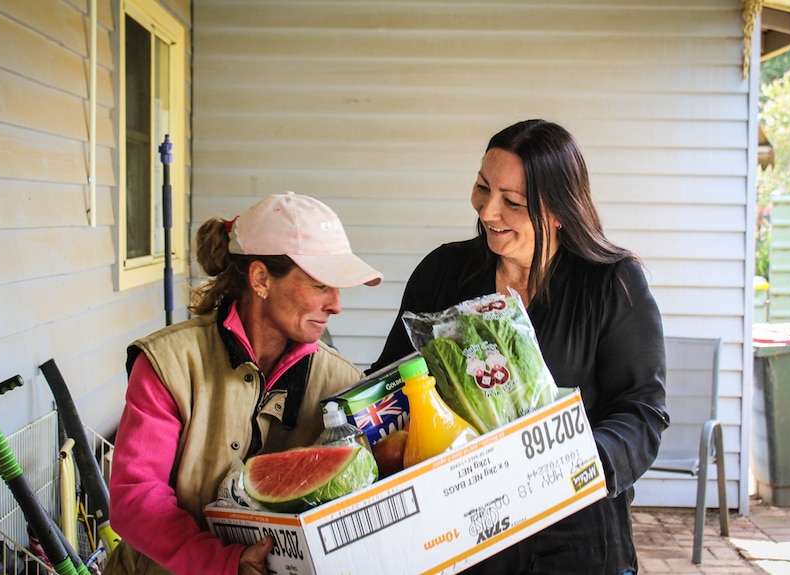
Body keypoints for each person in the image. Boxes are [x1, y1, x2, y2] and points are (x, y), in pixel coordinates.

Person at [369, 120, 669, 574]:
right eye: (482, 188)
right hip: (461, 541)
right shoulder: (442, 272)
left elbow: (641, 412)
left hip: (579, 542)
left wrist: (568, 468)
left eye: (512, 202)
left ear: (559, 210)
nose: (488, 212)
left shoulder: (613, 283)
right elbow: (392, 385)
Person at [104, 192, 383, 575]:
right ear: (261, 279)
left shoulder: (343, 383)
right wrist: (222, 564)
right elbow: (135, 498)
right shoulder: (169, 363)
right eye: (321, 285)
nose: (337, 304)